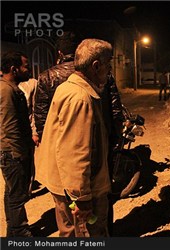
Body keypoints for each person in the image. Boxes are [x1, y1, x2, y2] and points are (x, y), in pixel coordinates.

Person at [35, 39, 113, 237]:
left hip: (64, 185)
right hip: (76, 190)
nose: (109, 70)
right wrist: (82, 197)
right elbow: (74, 152)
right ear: (96, 66)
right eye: (108, 64)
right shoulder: (80, 98)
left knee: (69, 233)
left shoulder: (68, 87)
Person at [0, 51, 34, 237]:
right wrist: (20, 154)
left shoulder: (10, 88)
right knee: (17, 196)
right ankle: (19, 232)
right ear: (14, 69)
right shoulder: (6, 91)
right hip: (13, 153)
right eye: (25, 66)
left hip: (12, 151)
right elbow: (10, 126)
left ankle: (13, 230)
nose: (28, 69)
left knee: (12, 194)